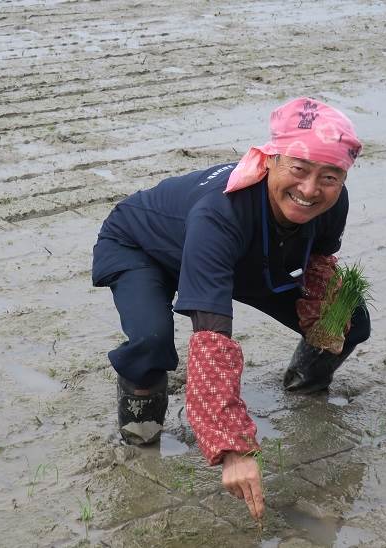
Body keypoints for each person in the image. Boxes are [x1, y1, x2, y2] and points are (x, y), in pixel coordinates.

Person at [91, 97, 371, 520]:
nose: (311, 189)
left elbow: (317, 261)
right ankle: (140, 438)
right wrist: (231, 447)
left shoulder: (332, 202)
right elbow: (212, 338)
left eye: (329, 176)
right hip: (143, 247)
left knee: (349, 322)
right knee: (152, 342)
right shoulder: (222, 212)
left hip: (239, 255)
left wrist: (322, 315)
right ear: (270, 159)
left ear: (343, 176)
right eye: (298, 169)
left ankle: (305, 385)